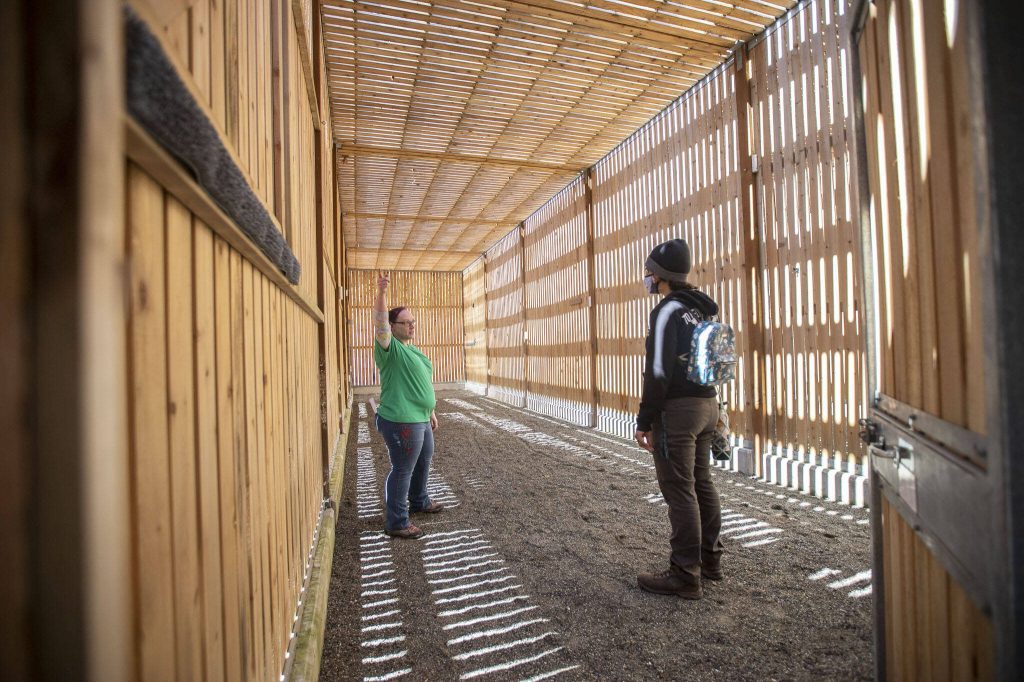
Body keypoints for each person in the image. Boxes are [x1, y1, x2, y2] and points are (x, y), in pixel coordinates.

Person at [633, 238, 724, 599]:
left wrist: (645, 419)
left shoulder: (667, 311)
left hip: (680, 411)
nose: (647, 278)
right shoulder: (700, 310)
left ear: (660, 276)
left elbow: (657, 371)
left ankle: (685, 574)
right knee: (702, 482)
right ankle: (710, 561)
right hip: (708, 406)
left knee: (679, 488)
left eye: (649, 272)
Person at [373, 271, 443, 539]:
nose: (412, 326)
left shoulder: (413, 349)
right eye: (405, 322)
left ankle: (419, 500)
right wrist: (381, 293)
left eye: (413, 321)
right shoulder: (388, 347)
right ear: (392, 326)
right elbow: (379, 321)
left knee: (424, 459)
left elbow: (422, 381)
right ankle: (397, 521)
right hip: (401, 418)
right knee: (403, 468)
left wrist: (430, 411)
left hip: (420, 417)